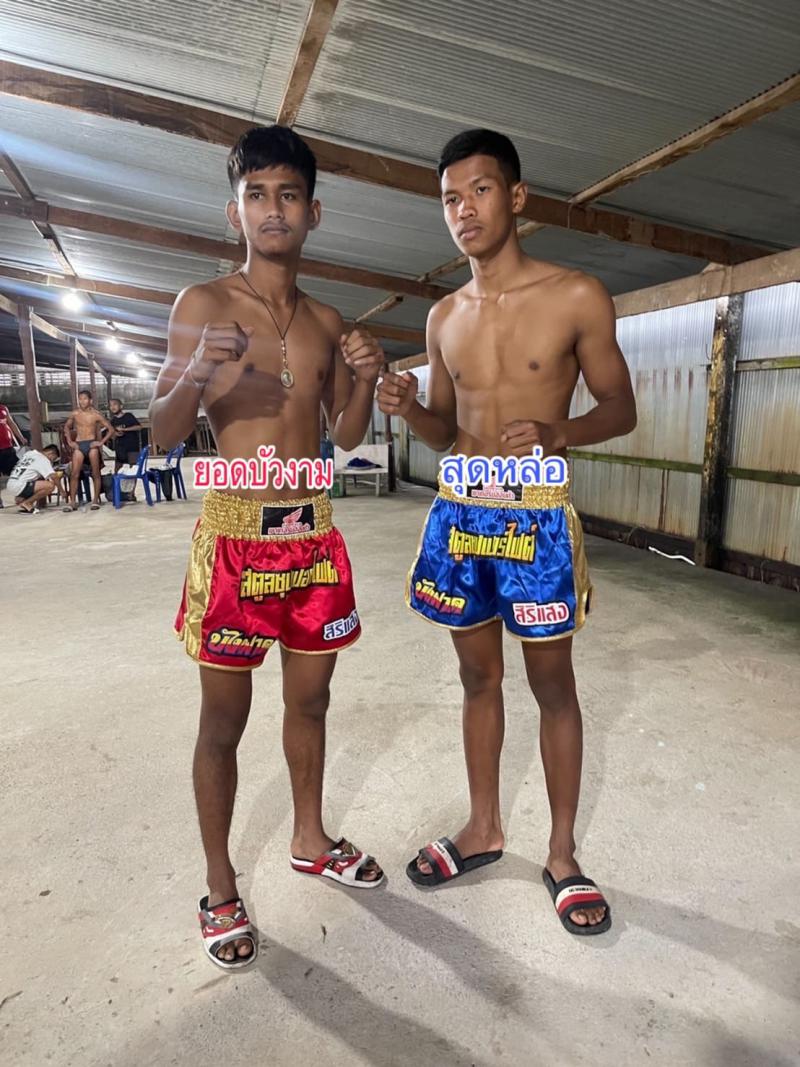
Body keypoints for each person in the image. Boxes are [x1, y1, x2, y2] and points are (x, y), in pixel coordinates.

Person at [377, 129, 637, 936]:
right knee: (477, 678)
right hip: (463, 514)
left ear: (516, 196)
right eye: (450, 199)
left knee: (552, 684)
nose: (464, 210)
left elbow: (621, 408)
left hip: (535, 516)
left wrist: (561, 432)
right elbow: (445, 431)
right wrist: (408, 409)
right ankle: (483, 827)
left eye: (480, 191)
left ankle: (562, 854)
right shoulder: (443, 315)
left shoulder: (576, 295)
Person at [150, 125, 385, 970]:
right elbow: (160, 435)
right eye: (256, 195)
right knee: (224, 719)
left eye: (288, 194)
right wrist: (194, 374)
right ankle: (219, 884)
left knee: (311, 702)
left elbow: (347, 435)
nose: (272, 208)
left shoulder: (326, 319)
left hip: (312, 537)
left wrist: (365, 378)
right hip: (235, 540)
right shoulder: (201, 304)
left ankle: (309, 837)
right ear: (235, 212)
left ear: (314, 212)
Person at [62, 390, 115, 511]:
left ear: (90, 400)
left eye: (85, 399)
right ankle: (72, 502)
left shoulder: (96, 414)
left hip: (91, 445)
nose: (82, 401)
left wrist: (101, 442)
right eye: (80, 399)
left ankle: (95, 500)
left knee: (96, 473)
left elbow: (111, 429)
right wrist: (70, 441)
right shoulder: (75, 413)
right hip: (79, 444)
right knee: (74, 474)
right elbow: (66, 427)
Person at [5, 444, 62, 514]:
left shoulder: (30, 453)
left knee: (34, 484)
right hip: (20, 485)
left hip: (11, 484)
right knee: (50, 486)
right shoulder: (43, 459)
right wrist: (62, 491)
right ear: (51, 453)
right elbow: (54, 476)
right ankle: (27, 503)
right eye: (53, 459)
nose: (51, 461)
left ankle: (22, 500)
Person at [0, 402, 25, 508]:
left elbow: (11, 423)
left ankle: (21, 496)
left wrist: (21, 437)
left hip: (8, 448)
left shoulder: (3, 408)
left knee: (17, 472)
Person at [108, 398, 144, 471]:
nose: (112, 407)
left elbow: (139, 427)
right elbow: (112, 436)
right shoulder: (112, 421)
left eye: (115, 404)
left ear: (121, 406)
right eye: (110, 405)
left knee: (133, 469)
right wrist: (116, 434)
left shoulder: (128, 416)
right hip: (120, 449)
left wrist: (125, 429)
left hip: (132, 447)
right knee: (117, 471)